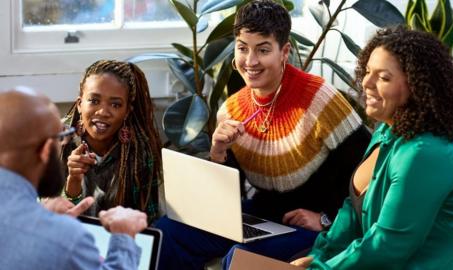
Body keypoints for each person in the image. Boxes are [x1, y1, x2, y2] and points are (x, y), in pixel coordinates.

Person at [154, 1, 372, 269]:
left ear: (285, 51)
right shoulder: (230, 110)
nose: (251, 61)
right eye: (243, 48)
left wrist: (327, 218)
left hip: (318, 224)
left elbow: (368, 171)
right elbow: (225, 199)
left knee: (241, 257)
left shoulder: (320, 99)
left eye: (263, 50)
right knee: (167, 231)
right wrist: (219, 152)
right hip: (264, 217)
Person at [290, 26, 453, 269]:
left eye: (383, 77)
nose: (366, 82)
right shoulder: (387, 130)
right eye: (368, 71)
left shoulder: (425, 152)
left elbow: (389, 246)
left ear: (417, 86)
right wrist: (321, 257)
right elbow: (352, 212)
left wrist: (323, 269)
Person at [0, 88, 148, 270]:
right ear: (46, 149)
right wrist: (124, 238)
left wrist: (39, 214)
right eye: (60, 137)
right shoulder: (68, 240)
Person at [60, 59, 164, 223]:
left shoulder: (140, 152)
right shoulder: (56, 139)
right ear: (80, 104)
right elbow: (46, 217)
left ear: (127, 112)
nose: (103, 112)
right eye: (94, 101)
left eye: (115, 104)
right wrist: (73, 181)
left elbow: (147, 221)